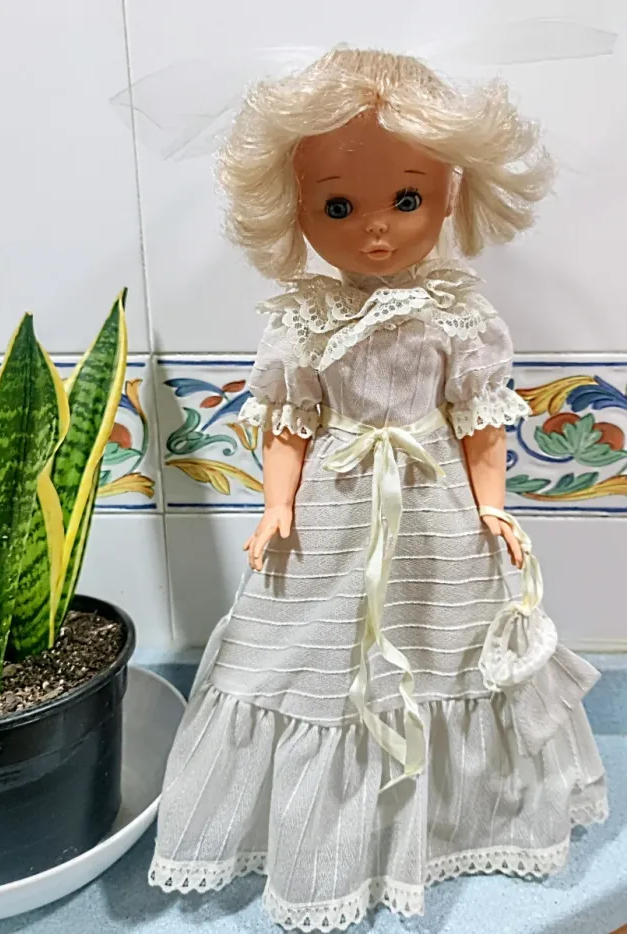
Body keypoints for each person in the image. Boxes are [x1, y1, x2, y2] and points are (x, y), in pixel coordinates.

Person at [149, 48, 607, 930]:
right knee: (312, 655)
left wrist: (494, 507)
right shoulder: (303, 317)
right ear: (290, 209)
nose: (375, 231)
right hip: (332, 508)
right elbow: (291, 422)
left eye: (406, 198)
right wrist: (276, 504)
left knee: (448, 648)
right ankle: (318, 836)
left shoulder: (461, 315)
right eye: (337, 206)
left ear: (452, 193)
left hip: (437, 512)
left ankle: (457, 820)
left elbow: (478, 423)